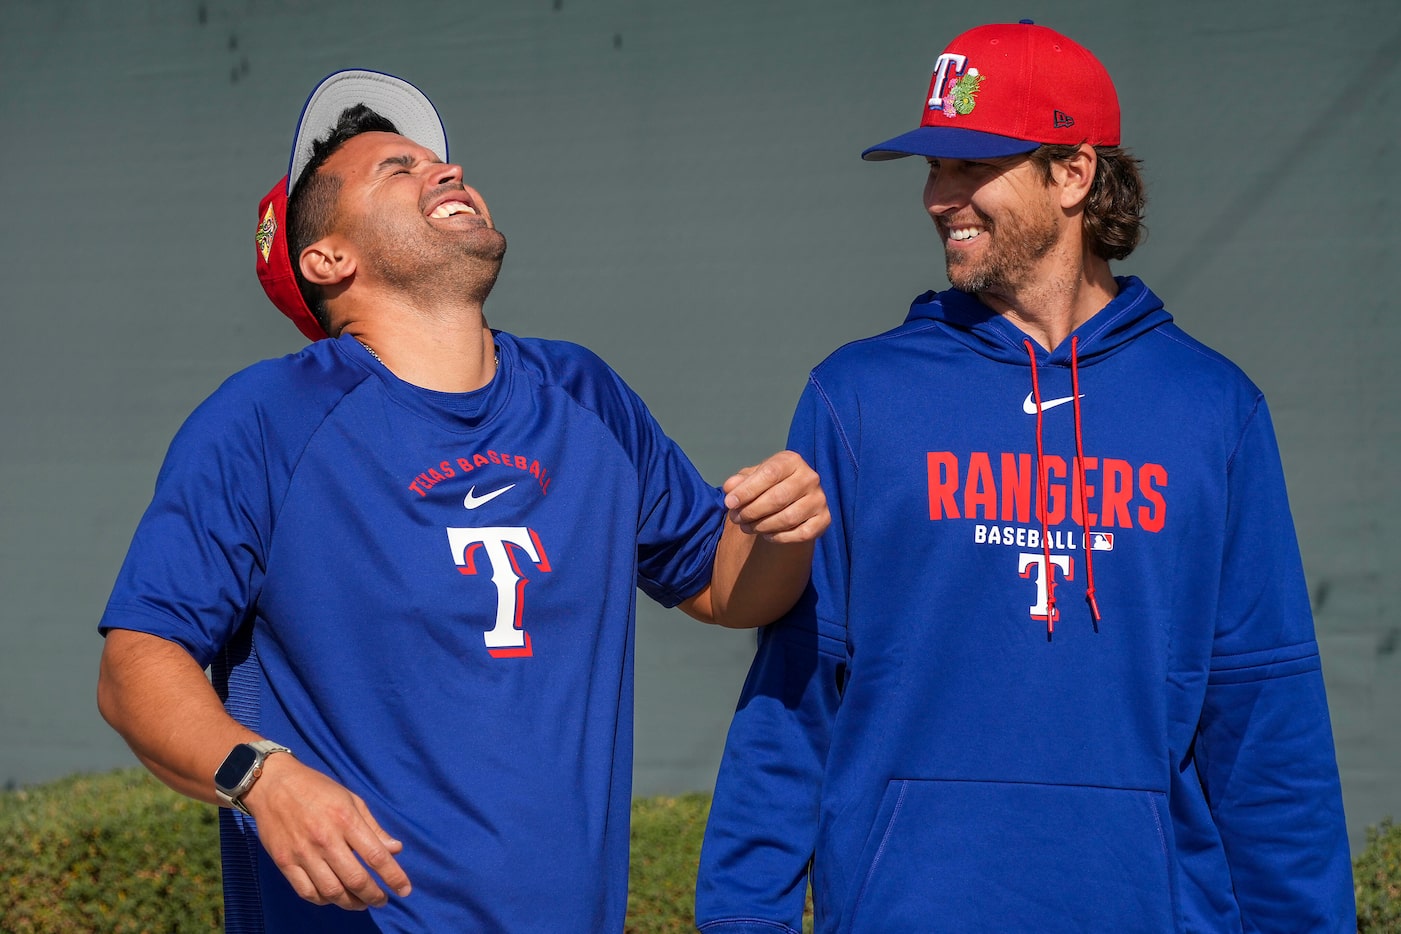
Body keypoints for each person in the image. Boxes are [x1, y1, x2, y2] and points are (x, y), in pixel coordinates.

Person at [96, 69, 828, 933]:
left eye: (441, 162)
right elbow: (134, 669)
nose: (444, 172)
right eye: (395, 170)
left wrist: (779, 530)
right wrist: (261, 775)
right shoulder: (267, 418)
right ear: (329, 259)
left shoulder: (583, 394)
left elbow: (727, 588)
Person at [695, 21, 1354, 933]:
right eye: (931, 168)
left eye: (971, 166)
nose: (938, 196)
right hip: (906, 907)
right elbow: (796, 693)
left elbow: (1265, 719)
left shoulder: (1212, 411)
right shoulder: (856, 398)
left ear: (1074, 174)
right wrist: (741, 917)